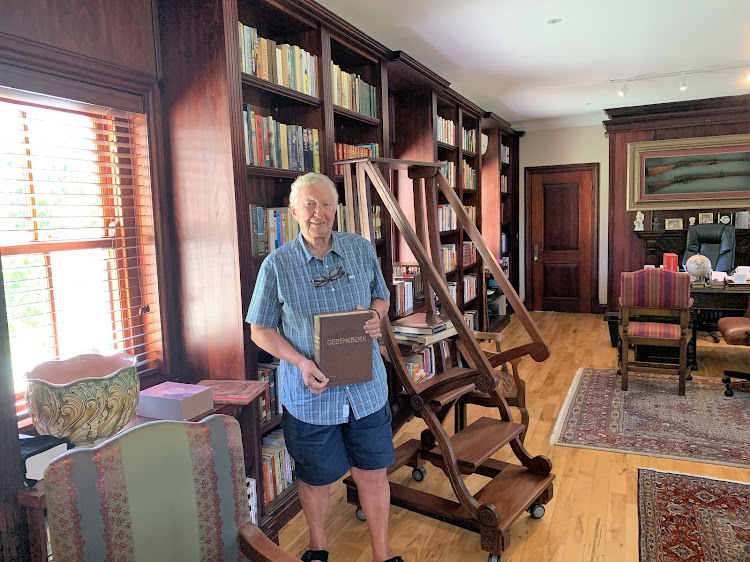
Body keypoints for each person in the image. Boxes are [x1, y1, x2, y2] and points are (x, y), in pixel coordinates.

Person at [246, 172, 403, 562]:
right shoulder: (277, 265)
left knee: (373, 473)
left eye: (328, 204)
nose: (320, 212)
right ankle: (318, 550)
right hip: (310, 396)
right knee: (315, 478)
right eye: (311, 204)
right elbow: (259, 331)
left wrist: (374, 316)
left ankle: (382, 555)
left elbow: (381, 298)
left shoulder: (361, 249)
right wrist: (299, 361)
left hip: (365, 391)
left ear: (337, 209)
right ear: (295, 210)